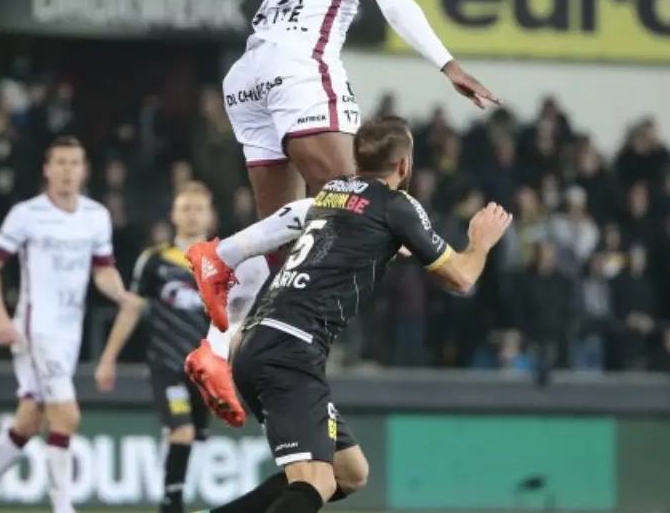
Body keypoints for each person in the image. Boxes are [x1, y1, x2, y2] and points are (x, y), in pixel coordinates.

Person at [182, 0, 500, 423]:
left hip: (248, 76)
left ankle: (215, 348)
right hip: (301, 69)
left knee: (285, 246)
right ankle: (221, 256)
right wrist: (448, 65)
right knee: (357, 204)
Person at [189, 116, 512, 513]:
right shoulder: (395, 206)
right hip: (290, 351)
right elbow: (462, 278)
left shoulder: (331, 193)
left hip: (261, 342)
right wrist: (480, 243)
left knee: (349, 472)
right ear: (404, 164)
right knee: (316, 482)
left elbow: (348, 232)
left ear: (357, 160)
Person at [0, 136, 144, 513]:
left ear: (84, 170)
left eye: (74, 163)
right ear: (47, 169)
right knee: (68, 415)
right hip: (35, 329)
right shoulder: (27, 214)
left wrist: (119, 293)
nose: (67, 171)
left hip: (69, 331)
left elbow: (103, 270)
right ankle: (63, 505)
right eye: (60, 163)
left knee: (30, 419)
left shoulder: (96, 216)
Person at [88, 181, 266, 513]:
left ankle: (175, 496)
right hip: (167, 363)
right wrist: (108, 358)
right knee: (181, 431)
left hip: (207, 370)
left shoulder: (224, 263)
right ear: (173, 214)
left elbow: (237, 316)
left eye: (198, 209)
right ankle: (171, 506)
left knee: (196, 436)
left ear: (210, 215)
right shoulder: (155, 261)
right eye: (185, 208)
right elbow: (132, 309)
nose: (192, 215)